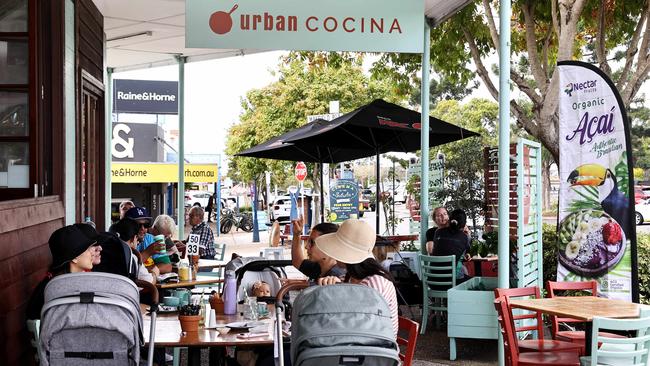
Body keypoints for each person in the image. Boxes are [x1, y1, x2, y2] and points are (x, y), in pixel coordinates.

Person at [315, 219, 398, 338]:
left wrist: (336, 294)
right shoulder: (348, 277)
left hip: (376, 349)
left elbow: (362, 323)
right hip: (357, 344)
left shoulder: (376, 282)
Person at [27, 225, 101, 319]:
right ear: (74, 258)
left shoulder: (75, 280)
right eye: (87, 249)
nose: (92, 252)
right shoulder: (52, 289)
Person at [110, 218, 158, 284]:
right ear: (133, 238)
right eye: (137, 238)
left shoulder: (105, 253)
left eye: (146, 225)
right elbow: (149, 282)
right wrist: (154, 273)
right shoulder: (132, 257)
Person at [126, 206, 172, 274]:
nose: (142, 228)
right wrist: (148, 252)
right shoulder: (122, 241)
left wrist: (143, 271)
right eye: (138, 225)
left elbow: (167, 266)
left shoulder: (150, 238)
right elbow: (127, 269)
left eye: (146, 224)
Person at [430, 208, 471, 282]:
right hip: (451, 282)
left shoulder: (438, 233)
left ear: (450, 219)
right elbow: (466, 253)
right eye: (440, 215)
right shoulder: (464, 237)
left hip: (433, 281)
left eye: (445, 214)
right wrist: (467, 235)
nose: (443, 217)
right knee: (474, 282)